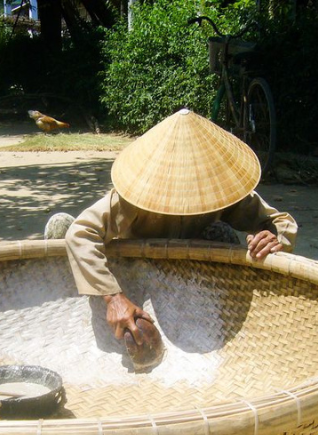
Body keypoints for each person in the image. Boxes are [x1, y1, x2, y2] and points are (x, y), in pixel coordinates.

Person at [62, 108, 298, 349]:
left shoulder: (221, 190)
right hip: (135, 267)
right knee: (67, 230)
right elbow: (81, 233)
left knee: (221, 234)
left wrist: (274, 236)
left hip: (187, 271)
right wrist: (113, 297)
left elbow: (279, 222)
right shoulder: (132, 198)